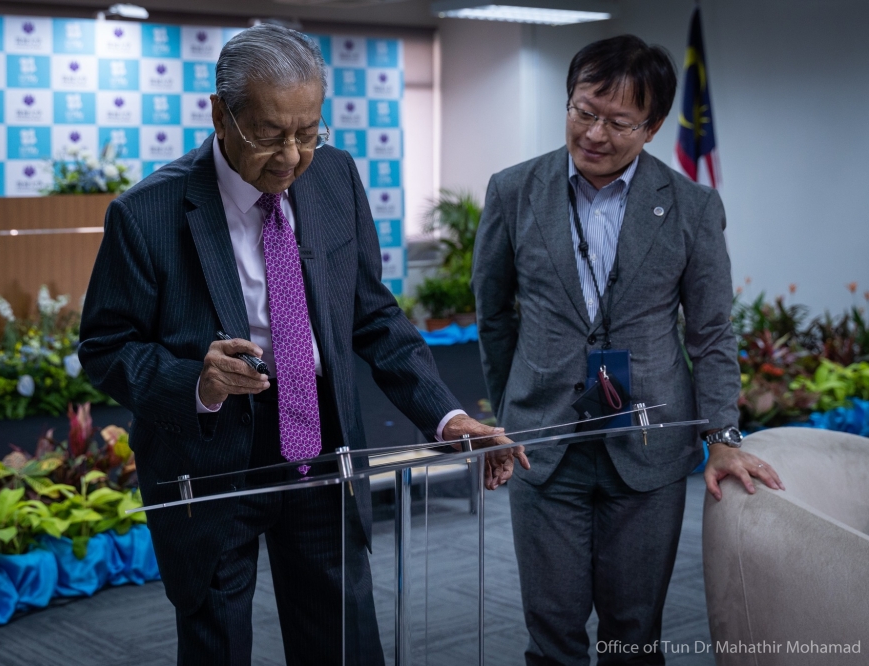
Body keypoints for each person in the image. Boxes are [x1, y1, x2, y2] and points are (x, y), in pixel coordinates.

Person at [79, 24, 525, 665]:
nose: (291, 156)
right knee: (217, 644)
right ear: (220, 115)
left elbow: (374, 318)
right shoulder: (147, 212)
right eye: (269, 134)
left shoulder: (336, 178)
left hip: (322, 440)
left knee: (341, 639)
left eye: (308, 132)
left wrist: (447, 418)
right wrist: (196, 383)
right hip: (210, 457)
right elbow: (104, 346)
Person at [473, 35, 784, 665]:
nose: (594, 133)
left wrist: (723, 433)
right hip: (544, 443)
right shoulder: (512, 192)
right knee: (552, 635)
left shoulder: (693, 207)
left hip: (650, 445)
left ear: (653, 126)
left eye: (618, 122)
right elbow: (493, 315)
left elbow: (712, 332)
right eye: (583, 111)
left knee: (632, 634)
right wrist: (513, 413)